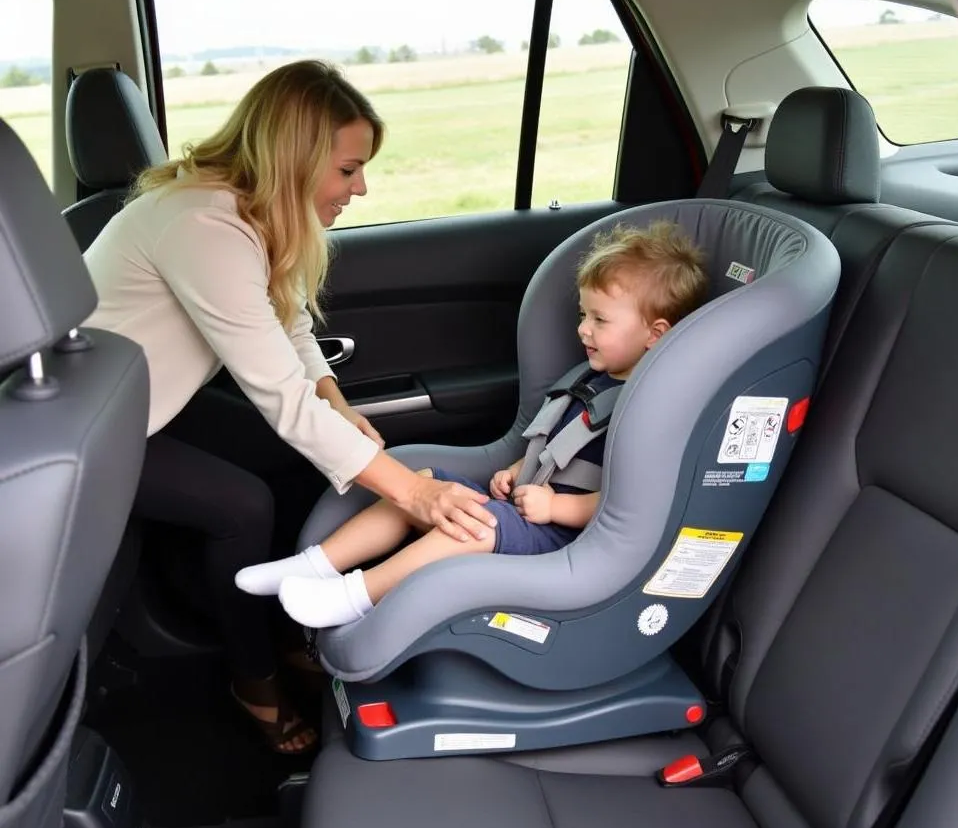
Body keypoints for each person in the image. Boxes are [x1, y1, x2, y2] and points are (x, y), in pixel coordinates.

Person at [83, 59, 496, 754]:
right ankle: (253, 679)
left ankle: (292, 627)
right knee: (242, 506)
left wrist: (338, 405)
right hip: (100, 427)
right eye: (348, 169)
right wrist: (414, 494)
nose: (361, 187)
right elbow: (277, 392)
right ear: (294, 159)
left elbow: (291, 324)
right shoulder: (200, 224)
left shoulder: (249, 212)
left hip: (153, 399)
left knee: (310, 464)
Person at [235, 220, 708, 628]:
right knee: (422, 488)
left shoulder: (650, 407)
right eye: (583, 314)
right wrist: (520, 469)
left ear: (656, 333)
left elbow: (630, 503)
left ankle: (356, 597)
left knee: (471, 525)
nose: (583, 328)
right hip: (531, 509)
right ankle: (315, 566)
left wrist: (554, 509)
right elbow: (559, 444)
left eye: (600, 320)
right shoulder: (592, 379)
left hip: (567, 540)